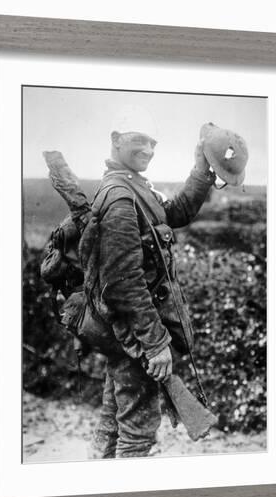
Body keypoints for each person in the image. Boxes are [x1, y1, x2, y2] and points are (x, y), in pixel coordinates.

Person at [88, 113, 216, 459]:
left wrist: (202, 169)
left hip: (126, 334)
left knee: (114, 421)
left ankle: (95, 489)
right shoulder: (120, 199)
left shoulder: (134, 188)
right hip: (137, 337)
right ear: (116, 139)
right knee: (137, 433)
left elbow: (175, 213)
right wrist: (156, 344)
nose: (148, 149)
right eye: (138, 140)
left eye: (152, 143)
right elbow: (122, 282)